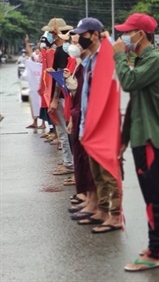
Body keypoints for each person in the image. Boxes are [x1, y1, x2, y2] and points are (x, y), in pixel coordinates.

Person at [113, 13, 159, 271]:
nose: (124, 37)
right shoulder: (141, 59)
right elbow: (136, 102)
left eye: (128, 32)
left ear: (140, 34)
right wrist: (124, 140)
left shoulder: (154, 60)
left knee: (151, 195)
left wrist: (117, 55)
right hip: (140, 136)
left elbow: (128, 82)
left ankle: (155, 251)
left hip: (148, 138)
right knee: (156, 193)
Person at [72, 19, 123, 233]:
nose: (80, 38)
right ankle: (102, 211)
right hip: (91, 125)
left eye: (84, 34)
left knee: (108, 172)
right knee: (97, 173)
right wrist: (83, 128)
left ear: (94, 35)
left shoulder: (106, 57)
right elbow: (85, 97)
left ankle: (115, 215)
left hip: (106, 126)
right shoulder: (91, 59)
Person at [64, 19, 102, 224]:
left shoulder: (100, 60)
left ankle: (98, 206)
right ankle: (90, 202)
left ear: (94, 35)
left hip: (92, 120)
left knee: (93, 166)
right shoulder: (86, 62)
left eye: (81, 38)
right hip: (82, 116)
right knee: (84, 163)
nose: (77, 44)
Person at [41, 18, 75, 176]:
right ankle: (69, 161)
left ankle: (69, 163)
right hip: (66, 96)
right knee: (66, 130)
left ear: (55, 33)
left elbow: (60, 77)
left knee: (63, 130)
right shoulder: (63, 50)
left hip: (62, 96)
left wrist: (54, 99)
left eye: (49, 33)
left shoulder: (62, 52)